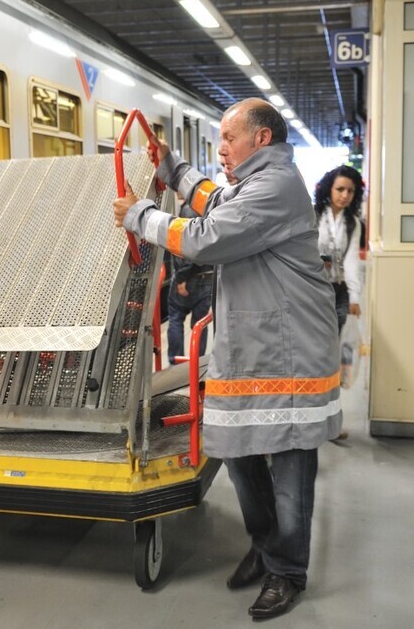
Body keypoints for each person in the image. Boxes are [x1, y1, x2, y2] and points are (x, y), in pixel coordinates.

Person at [113, 98, 341, 620]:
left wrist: (141, 215)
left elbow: (206, 236)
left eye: (229, 139)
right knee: (239, 455)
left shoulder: (276, 186)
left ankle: (287, 572)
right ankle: (266, 548)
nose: (221, 149)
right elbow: (215, 200)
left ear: (261, 139)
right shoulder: (251, 184)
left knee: (289, 467)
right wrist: (172, 168)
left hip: (290, 356)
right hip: (254, 351)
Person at [314, 165, 365, 437]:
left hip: (340, 293)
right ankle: (312, 415)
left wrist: (355, 296)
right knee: (314, 355)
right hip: (313, 293)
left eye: (350, 191)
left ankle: (331, 419)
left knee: (334, 358)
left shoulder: (353, 223)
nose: (344, 195)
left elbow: (352, 260)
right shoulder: (312, 216)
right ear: (329, 189)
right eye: (340, 189)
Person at [166, 198, 212, 365]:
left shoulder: (188, 210)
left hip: (188, 278)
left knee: (176, 318)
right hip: (207, 277)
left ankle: (176, 363)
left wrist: (181, 278)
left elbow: (189, 248)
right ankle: (197, 365)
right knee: (200, 324)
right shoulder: (208, 205)